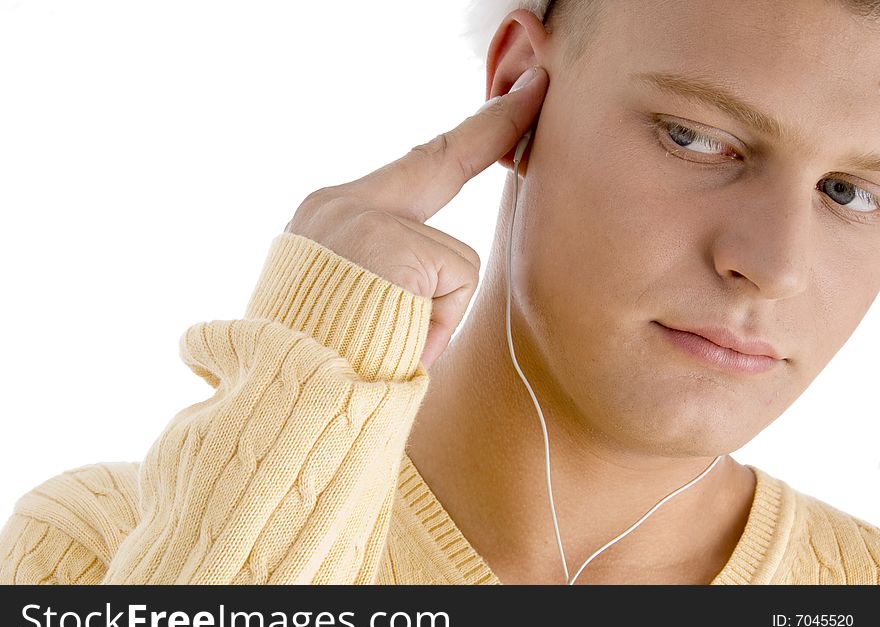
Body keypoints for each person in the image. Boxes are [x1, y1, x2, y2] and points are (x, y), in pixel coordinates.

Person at [1, 0, 879, 586]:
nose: (773, 264)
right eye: (695, 137)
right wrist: (320, 366)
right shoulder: (101, 550)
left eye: (853, 192)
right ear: (517, 91)